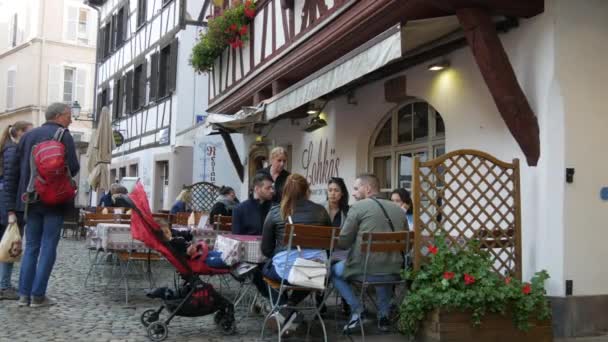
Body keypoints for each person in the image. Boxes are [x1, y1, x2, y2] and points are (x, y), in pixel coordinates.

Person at [5, 103, 80, 307]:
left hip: (29, 200)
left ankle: (23, 295)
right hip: (54, 200)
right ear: (58, 116)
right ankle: (38, 296)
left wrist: (12, 204)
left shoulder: (28, 136)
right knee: (48, 247)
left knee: (31, 247)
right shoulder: (63, 135)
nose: (71, 120)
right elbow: (73, 167)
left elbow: (16, 171)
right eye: (68, 116)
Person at [333, 174, 407, 333]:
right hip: (395, 271)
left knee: (334, 271)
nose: (353, 193)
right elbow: (407, 245)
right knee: (382, 264)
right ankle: (383, 316)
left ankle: (358, 310)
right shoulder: (398, 209)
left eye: (356, 188)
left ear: (367, 189)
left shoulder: (357, 208)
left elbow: (344, 242)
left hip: (365, 270)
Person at [261, 173, 331, 335]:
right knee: (310, 274)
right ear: (307, 190)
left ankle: (284, 308)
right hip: (315, 269)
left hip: (285, 270)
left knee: (264, 269)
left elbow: (266, 249)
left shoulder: (276, 212)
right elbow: (328, 245)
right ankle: (290, 307)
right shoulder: (321, 211)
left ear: (284, 191)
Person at [0, 121, 33, 300]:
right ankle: (4, 286)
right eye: (29, 131)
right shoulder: (13, 151)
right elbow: (10, 184)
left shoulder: (9, 148)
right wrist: (11, 211)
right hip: (8, 206)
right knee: (9, 244)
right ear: (20, 133)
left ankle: (4, 285)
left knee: (6, 244)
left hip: (6, 205)